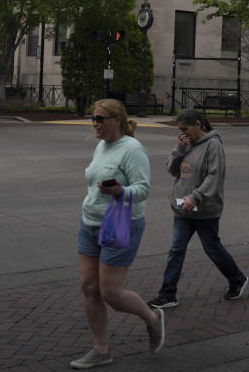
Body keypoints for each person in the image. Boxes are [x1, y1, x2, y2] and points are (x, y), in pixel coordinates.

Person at [72, 98, 166, 369]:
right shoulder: (101, 145)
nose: (95, 124)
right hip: (89, 221)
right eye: (93, 118)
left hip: (120, 222)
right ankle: (101, 350)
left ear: (117, 120)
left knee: (110, 293)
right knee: (89, 287)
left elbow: (143, 189)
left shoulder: (133, 150)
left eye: (100, 119)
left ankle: (152, 319)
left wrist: (120, 191)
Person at [148, 108, 248, 309]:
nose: (183, 133)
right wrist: (179, 150)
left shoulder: (213, 144)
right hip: (182, 209)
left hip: (204, 210)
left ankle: (237, 279)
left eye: (186, 129)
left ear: (198, 125)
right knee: (176, 249)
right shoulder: (187, 144)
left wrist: (195, 196)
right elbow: (171, 169)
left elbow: (214, 175)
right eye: (180, 130)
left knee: (212, 248)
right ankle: (168, 293)